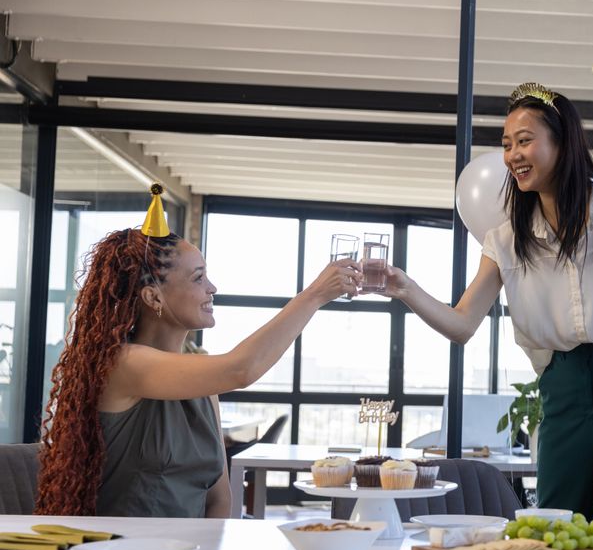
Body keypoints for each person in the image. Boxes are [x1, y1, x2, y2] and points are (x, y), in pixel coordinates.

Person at [369, 82, 593, 525]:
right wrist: (404, 288)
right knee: (558, 527)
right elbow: (463, 324)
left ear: (563, 143)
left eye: (524, 141)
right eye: (506, 146)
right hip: (563, 395)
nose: (512, 155)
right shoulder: (504, 241)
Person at [36, 193, 362, 518]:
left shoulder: (203, 386)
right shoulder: (127, 364)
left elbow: (219, 499)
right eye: (198, 277)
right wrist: (315, 295)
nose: (212, 288)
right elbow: (241, 369)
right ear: (153, 297)